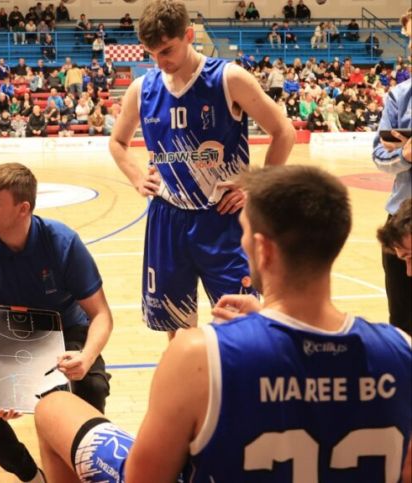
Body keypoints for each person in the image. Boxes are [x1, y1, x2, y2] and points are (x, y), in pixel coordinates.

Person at [34, 165, 412, 482]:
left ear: (262, 249)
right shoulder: (401, 349)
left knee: (53, 409)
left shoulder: (198, 352)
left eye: (243, 233)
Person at [109, 0, 294, 337]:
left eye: (167, 50)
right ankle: (191, 387)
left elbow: (284, 131)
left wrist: (257, 187)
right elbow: (117, 142)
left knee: (242, 325)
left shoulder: (229, 78)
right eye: (152, 53)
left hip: (222, 216)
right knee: (177, 330)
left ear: (189, 35)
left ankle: (239, 388)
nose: (160, 62)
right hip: (167, 216)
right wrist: (138, 179)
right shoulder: (142, 89)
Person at [0, 163, 112, 482]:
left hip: (65, 333)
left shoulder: (62, 242)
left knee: (91, 384)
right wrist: (3, 383)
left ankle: (76, 471)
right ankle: (30, 475)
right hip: (3, 337)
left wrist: (87, 357)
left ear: (23, 208)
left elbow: (102, 315)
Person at [372, 7, 411, 336]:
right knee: (402, 323)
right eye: (410, 41)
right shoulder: (399, 96)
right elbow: (379, 155)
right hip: (401, 223)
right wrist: (407, 153)